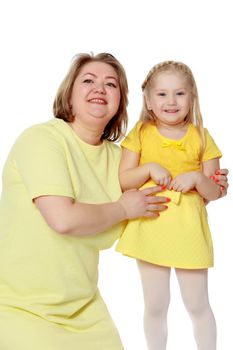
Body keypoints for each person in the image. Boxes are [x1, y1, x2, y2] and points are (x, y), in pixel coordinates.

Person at [0, 53, 170, 350]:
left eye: (111, 84)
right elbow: (62, 219)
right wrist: (122, 208)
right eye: (88, 81)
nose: (99, 89)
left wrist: (206, 182)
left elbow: (168, 195)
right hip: (19, 309)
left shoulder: (121, 162)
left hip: (85, 311)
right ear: (69, 98)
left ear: (119, 102)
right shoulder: (42, 140)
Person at [116, 61, 228, 350]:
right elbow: (124, 180)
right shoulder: (140, 133)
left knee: (197, 303)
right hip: (150, 225)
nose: (171, 101)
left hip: (189, 230)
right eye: (162, 94)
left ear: (192, 98)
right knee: (155, 304)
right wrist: (149, 168)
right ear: (149, 101)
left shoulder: (202, 137)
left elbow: (215, 191)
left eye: (179, 93)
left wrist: (195, 178)